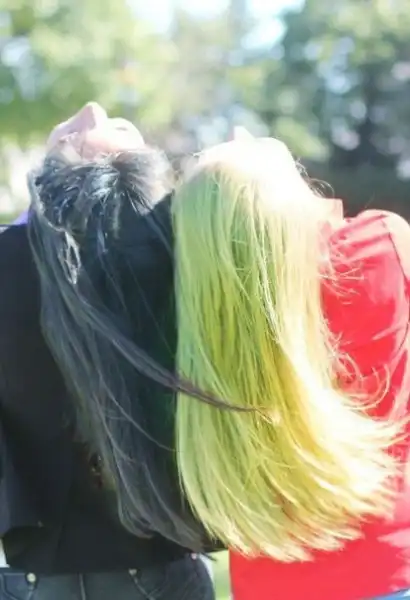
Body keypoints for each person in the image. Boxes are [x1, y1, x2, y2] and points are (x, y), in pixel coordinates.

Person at [166, 132, 410, 599]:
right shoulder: (377, 245)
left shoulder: (198, 326)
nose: (239, 134)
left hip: (268, 586)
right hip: (386, 570)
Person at [0, 103, 217, 599]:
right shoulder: (187, 265)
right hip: (162, 568)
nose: (93, 109)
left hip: (35, 578)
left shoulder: (9, 265)